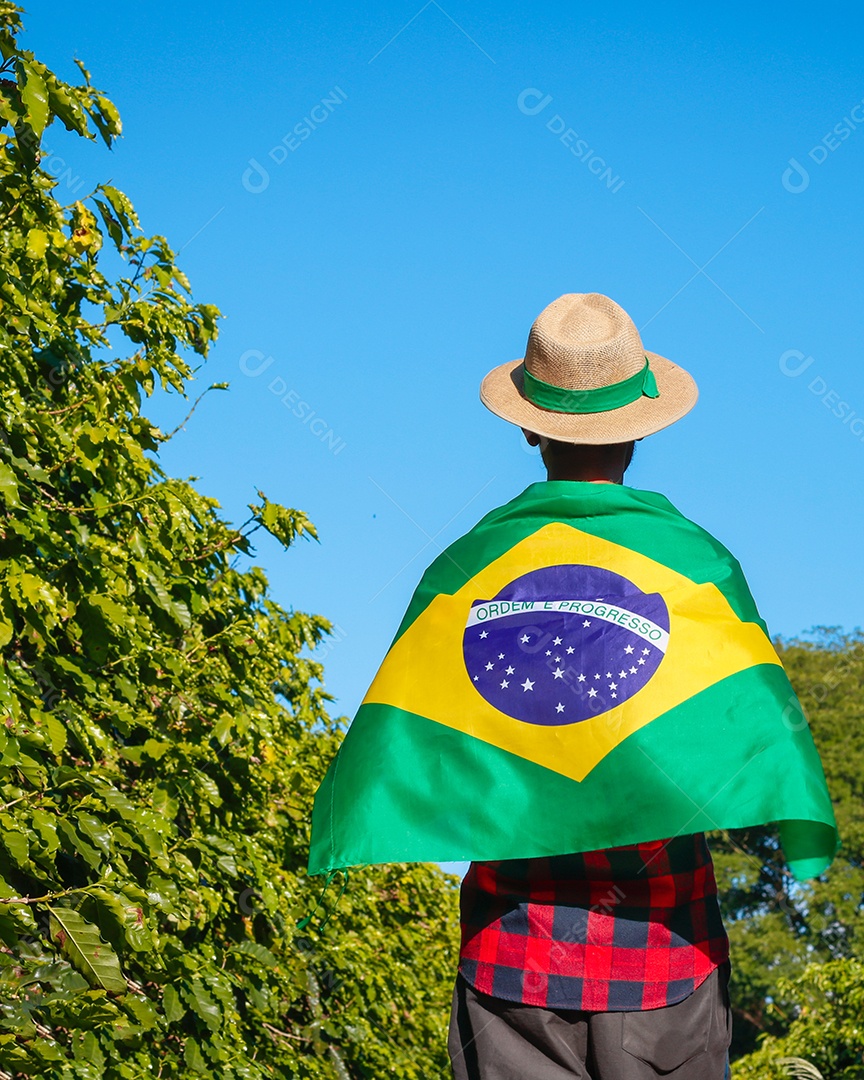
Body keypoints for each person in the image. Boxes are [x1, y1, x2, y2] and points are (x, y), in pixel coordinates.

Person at [448, 293, 732, 1080]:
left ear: (529, 425)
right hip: (663, 953)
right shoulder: (694, 569)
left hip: (513, 957)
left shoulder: (472, 571)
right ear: (642, 427)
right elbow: (740, 742)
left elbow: (437, 742)